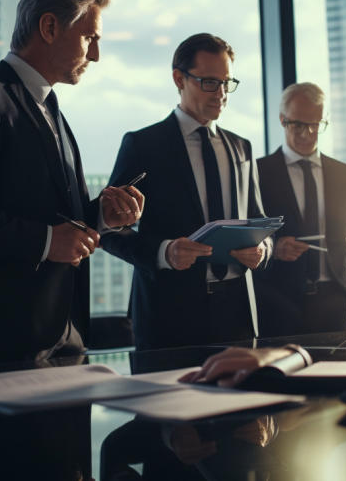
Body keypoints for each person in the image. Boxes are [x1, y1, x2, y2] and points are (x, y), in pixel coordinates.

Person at [0, 0, 144, 365]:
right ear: (49, 26)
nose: (95, 54)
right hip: (0, 339)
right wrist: (46, 241)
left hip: (67, 338)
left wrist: (102, 215)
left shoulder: (54, 111)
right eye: (89, 38)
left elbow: (61, 219)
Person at [102, 33, 272, 350]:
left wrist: (263, 251)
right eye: (209, 82)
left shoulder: (241, 147)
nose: (221, 93)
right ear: (179, 78)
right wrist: (164, 252)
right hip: (168, 316)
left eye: (227, 82)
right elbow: (109, 232)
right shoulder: (143, 145)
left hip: (236, 315)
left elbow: (258, 221)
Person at [255, 82, 346, 337]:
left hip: (336, 304)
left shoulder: (345, 174)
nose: (308, 133)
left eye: (316, 125)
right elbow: (248, 235)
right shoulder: (257, 173)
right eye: (298, 125)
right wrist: (274, 248)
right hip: (278, 304)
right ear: (282, 120)